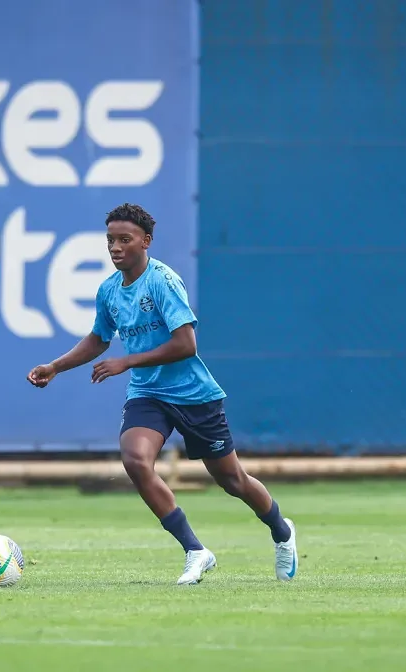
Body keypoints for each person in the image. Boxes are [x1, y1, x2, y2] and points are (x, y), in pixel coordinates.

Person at [27, 203, 298, 585]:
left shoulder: (162, 281)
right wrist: (55, 367)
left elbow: (186, 344)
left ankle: (282, 532)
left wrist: (127, 362)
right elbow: (97, 339)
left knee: (232, 480)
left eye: (125, 239)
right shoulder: (109, 290)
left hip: (193, 395)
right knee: (136, 461)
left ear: (146, 241)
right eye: (110, 240)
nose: (115, 248)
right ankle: (195, 551)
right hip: (148, 394)